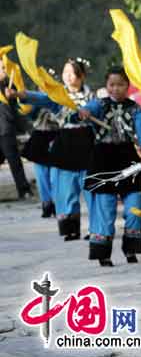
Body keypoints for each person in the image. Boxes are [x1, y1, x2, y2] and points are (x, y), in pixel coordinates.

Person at [77, 66, 141, 267]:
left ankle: (131, 248)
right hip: (103, 160)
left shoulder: (135, 108)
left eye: (120, 84)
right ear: (106, 86)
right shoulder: (99, 105)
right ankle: (103, 253)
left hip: (128, 158)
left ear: (127, 86)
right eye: (112, 84)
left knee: (135, 205)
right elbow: (85, 112)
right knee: (105, 208)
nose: (116, 88)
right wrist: (83, 112)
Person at [10, 58, 95, 240]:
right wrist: (20, 95)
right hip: (65, 143)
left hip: (87, 143)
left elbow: (98, 109)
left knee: (90, 190)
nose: (67, 76)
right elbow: (41, 98)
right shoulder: (58, 95)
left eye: (72, 73)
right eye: (65, 72)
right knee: (67, 189)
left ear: (81, 76)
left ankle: (95, 229)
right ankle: (70, 228)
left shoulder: (92, 97)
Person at [0, 57, 33, 200]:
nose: (4, 71)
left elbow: (17, 109)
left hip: (6, 129)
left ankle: (24, 190)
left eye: (4, 68)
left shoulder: (10, 87)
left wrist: (11, 96)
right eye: (1, 68)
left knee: (14, 161)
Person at [21, 105, 59, 217]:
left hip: (55, 137)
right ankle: (47, 204)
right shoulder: (35, 102)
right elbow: (27, 114)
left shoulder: (59, 99)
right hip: (40, 140)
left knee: (55, 178)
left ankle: (55, 203)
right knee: (42, 178)